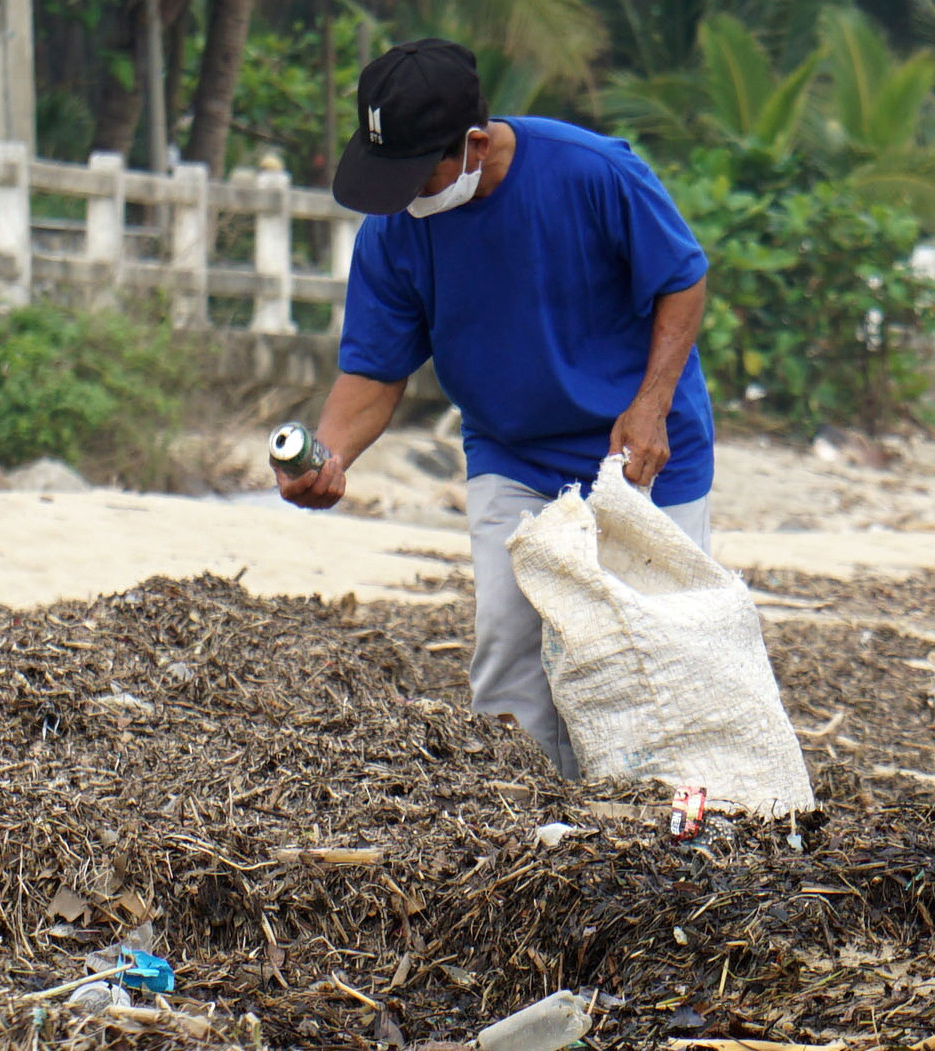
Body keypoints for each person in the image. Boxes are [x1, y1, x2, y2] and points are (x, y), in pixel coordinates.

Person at [276, 38, 714, 779]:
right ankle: (527, 835)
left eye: (420, 173)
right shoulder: (394, 231)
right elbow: (374, 371)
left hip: (640, 452)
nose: (407, 196)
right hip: (512, 454)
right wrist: (332, 454)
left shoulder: (593, 172)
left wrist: (651, 405)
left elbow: (682, 278)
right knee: (509, 653)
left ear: (474, 145)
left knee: (662, 652)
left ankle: (672, 830)